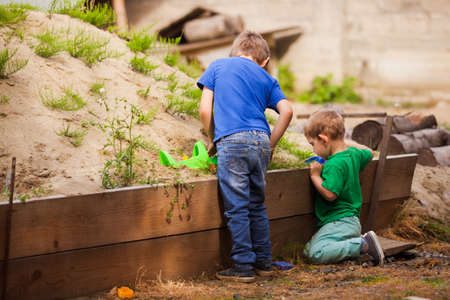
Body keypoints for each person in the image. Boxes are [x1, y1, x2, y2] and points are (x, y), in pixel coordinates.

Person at [197, 31, 293, 282]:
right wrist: (271, 144)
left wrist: (212, 137)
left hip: (232, 140)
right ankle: (263, 263)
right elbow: (287, 111)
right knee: (256, 205)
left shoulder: (218, 65)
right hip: (260, 139)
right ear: (265, 60)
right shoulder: (267, 77)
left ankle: (242, 268)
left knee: (237, 208)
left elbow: (205, 110)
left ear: (234, 52)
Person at [303, 109, 385, 266]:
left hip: (339, 222)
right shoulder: (352, 154)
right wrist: (343, 143)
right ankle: (354, 246)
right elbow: (369, 152)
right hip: (350, 221)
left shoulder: (334, 164)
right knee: (307, 250)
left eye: (313, 144)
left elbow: (330, 194)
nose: (313, 150)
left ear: (323, 139)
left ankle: (363, 245)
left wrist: (315, 176)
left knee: (315, 253)